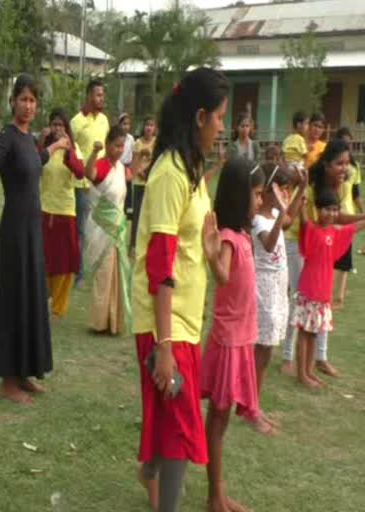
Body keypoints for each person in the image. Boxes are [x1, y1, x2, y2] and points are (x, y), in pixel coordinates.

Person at [132, 67, 228, 512]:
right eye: (220, 118)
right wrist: (164, 346)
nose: (223, 128)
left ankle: (148, 473)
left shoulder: (191, 168)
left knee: (168, 422)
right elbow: (159, 263)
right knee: (179, 428)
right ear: (200, 116)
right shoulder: (171, 172)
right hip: (164, 325)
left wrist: (210, 253)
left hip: (185, 319)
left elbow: (189, 245)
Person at [0, 73, 69, 406]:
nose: (28, 105)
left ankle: (26, 372)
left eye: (33, 100)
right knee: (14, 299)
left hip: (33, 229)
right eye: (23, 99)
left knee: (33, 297)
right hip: (15, 230)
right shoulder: (6, 136)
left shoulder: (29, 139)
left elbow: (37, 161)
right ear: (13, 102)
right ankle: (8, 380)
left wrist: (57, 146)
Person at [200, 158, 266, 512]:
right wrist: (212, 257)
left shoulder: (242, 235)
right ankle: (215, 497)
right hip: (228, 342)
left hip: (241, 339)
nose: (259, 201)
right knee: (218, 419)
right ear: (239, 196)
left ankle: (217, 492)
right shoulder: (228, 237)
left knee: (221, 421)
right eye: (256, 195)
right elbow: (223, 275)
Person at [296, 139, 365, 378]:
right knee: (300, 312)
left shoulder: (341, 185)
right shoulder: (309, 187)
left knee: (319, 317)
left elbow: (339, 218)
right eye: (339, 163)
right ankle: (292, 361)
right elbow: (306, 221)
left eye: (347, 163)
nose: (344, 168)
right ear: (326, 164)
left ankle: (319, 360)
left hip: (323, 248)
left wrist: (361, 217)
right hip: (299, 242)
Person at [252, 163, 306, 422]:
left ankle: (253, 403)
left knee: (266, 349)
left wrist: (301, 190)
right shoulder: (258, 218)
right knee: (260, 350)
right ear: (270, 191)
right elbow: (270, 243)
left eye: (288, 190)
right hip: (263, 288)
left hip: (276, 286)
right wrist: (283, 210)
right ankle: (251, 406)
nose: (286, 194)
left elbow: (288, 220)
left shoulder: (274, 214)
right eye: (283, 190)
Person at [84, 126, 132, 335]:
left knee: (116, 275)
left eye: (122, 146)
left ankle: (113, 322)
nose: (120, 150)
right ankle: (99, 322)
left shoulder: (120, 168)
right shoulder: (102, 165)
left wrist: (142, 160)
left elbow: (131, 175)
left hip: (117, 229)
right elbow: (90, 173)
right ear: (108, 143)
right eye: (116, 145)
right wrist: (94, 153)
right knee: (103, 275)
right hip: (101, 230)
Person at [38, 108, 84, 318]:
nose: (57, 129)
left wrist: (67, 151)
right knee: (44, 259)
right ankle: (42, 298)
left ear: (66, 128)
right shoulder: (46, 148)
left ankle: (58, 306)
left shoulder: (74, 149)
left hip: (66, 211)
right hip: (45, 210)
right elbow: (34, 165)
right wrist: (42, 141)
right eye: (54, 124)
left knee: (66, 262)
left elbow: (80, 172)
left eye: (60, 125)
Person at [279, 110, 310, 377]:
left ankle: (291, 353)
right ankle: (287, 354)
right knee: (293, 296)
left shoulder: (306, 172)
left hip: (304, 239)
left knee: (296, 296)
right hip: (290, 240)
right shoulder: (294, 174)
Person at [70, 79, 109, 288]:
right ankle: (78, 274)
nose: (101, 99)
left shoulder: (104, 120)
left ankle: (98, 272)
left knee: (99, 229)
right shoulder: (76, 122)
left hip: (101, 184)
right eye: (98, 95)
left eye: (103, 95)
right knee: (82, 230)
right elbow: (70, 152)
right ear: (88, 96)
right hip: (82, 185)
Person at [331, 127, 362, 306]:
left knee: (345, 257)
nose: (348, 147)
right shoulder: (332, 169)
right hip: (333, 213)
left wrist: (361, 210)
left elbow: (356, 192)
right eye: (344, 143)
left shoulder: (355, 167)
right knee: (330, 254)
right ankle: (328, 292)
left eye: (349, 144)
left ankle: (339, 296)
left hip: (348, 212)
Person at [130, 116, 156, 253]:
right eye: (147, 125)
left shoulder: (156, 143)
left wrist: (148, 174)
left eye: (151, 125)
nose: (149, 128)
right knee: (137, 214)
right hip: (139, 183)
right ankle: (133, 245)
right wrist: (141, 173)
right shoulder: (137, 143)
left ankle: (149, 244)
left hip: (152, 183)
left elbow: (158, 160)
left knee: (152, 214)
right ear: (143, 127)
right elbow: (134, 163)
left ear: (155, 128)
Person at [118, 113, 135, 217]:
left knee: (127, 189)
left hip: (127, 165)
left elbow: (132, 153)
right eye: (124, 124)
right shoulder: (117, 137)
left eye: (128, 124)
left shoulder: (131, 138)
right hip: (118, 165)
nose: (126, 126)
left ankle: (127, 210)